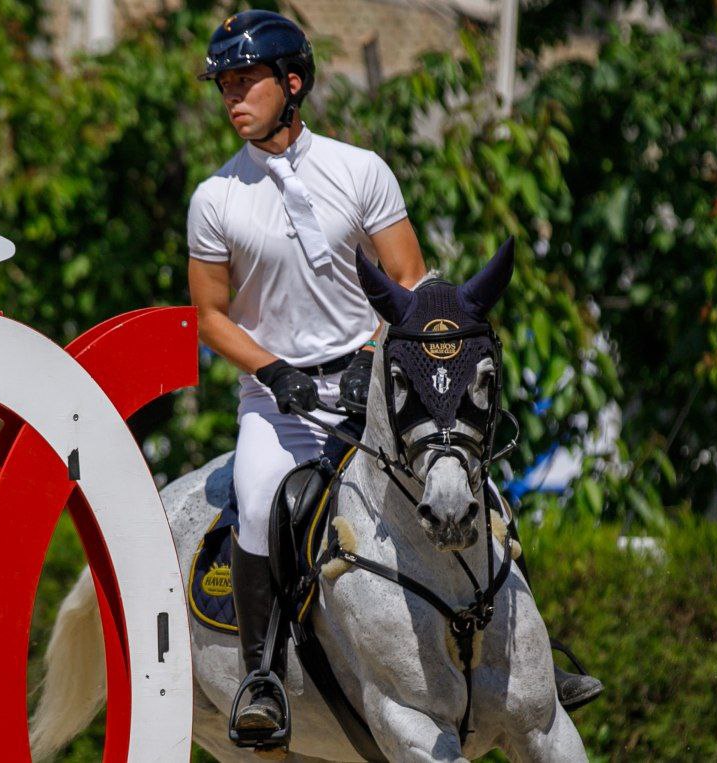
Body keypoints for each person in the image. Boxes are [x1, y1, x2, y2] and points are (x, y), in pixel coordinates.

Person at [188, 9, 600, 743]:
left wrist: (372, 359)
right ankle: (261, 677)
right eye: (225, 84)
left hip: (376, 385)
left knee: (470, 483)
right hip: (279, 402)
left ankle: (533, 657)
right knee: (256, 500)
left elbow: (410, 280)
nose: (233, 96)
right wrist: (273, 371)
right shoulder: (216, 198)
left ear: (292, 82)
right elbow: (211, 316)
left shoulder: (360, 170)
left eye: (246, 80)